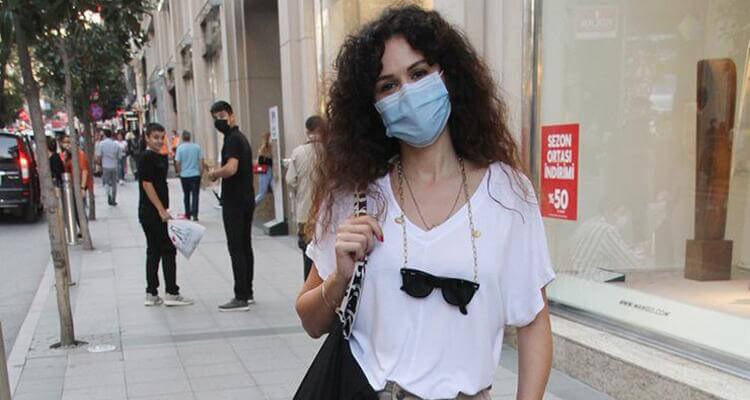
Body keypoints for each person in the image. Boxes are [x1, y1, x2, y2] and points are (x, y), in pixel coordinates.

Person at [295, 6, 556, 400]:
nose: (407, 92)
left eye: (418, 74)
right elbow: (311, 321)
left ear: (447, 75)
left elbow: (534, 322)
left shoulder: (507, 192)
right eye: (388, 85)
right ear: (371, 105)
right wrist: (339, 279)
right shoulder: (356, 194)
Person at [138, 122, 193, 307]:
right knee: (167, 250)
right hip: (153, 213)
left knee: (154, 251)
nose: (159, 141)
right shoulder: (147, 157)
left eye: (162, 137)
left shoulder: (154, 156)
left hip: (152, 212)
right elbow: (147, 184)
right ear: (147, 138)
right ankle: (171, 292)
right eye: (155, 137)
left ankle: (152, 293)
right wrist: (161, 210)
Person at [207, 100, 256, 311]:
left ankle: (240, 296)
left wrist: (214, 173)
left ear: (232, 115)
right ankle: (248, 291)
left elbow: (231, 168)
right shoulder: (240, 137)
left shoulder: (233, 140)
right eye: (216, 118)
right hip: (245, 198)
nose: (219, 121)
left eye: (222, 116)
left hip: (235, 201)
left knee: (236, 246)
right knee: (245, 245)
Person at [285, 116, 325, 280]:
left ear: (307, 131)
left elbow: (290, 180)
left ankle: (309, 286)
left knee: (307, 252)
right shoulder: (330, 151)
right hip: (327, 210)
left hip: (305, 210)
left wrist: (301, 190)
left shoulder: (298, 152)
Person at [60, 135, 93, 233]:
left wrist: (82, 187)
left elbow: (84, 171)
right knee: (75, 208)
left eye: (68, 142)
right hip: (72, 185)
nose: (66, 145)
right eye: (65, 142)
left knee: (79, 208)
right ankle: (81, 229)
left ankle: (83, 230)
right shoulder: (68, 155)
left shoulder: (80, 154)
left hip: (78, 185)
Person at [174, 130, 204, 221]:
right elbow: (201, 160)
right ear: (190, 137)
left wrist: (179, 172)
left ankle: (187, 214)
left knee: (186, 195)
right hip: (195, 174)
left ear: (183, 138)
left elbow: (177, 162)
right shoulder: (197, 147)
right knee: (195, 194)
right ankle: (195, 214)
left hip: (184, 175)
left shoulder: (180, 148)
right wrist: (201, 171)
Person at [95, 129, 122, 206]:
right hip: (114, 166)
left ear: (105, 135)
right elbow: (119, 157)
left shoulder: (102, 144)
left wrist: (98, 165)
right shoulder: (116, 145)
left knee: (106, 183)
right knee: (114, 184)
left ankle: (109, 195)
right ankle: (113, 199)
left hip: (105, 166)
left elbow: (99, 156)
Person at [254, 132, 273, 204]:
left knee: (274, 190)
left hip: (268, 172)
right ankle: (250, 206)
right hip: (265, 172)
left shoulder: (268, 149)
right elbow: (259, 162)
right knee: (262, 194)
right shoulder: (263, 149)